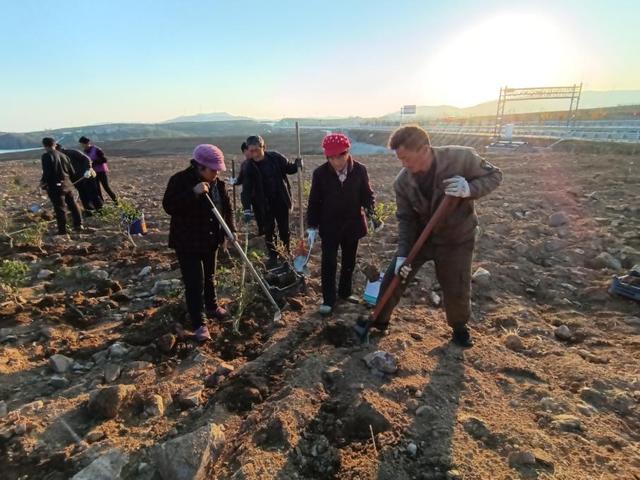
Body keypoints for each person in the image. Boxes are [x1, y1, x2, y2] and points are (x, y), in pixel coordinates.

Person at [370, 125, 502, 347]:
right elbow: (406, 219)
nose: (404, 164)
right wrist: (403, 255)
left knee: (456, 285)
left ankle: (459, 327)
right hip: (421, 238)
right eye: (399, 159)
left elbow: (495, 175)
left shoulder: (461, 158)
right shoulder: (402, 182)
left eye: (407, 158)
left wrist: (469, 188)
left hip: (456, 238)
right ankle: (379, 321)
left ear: (424, 149)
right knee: (395, 276)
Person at [162, 144, 235, 342]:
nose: (216, 173)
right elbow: (169, 206)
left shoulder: (218, 184)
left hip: (211, 239)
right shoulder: (180, 180)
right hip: (188, 242)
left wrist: (230, 231)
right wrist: (193, 193)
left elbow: (226, 209)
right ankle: (199, 323)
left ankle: (211, 306)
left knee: (210, 276)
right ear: (200, 166)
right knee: (195, 283)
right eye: (213, 170)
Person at [307, 133, 378, 315]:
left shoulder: (360, 170)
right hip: (329, 225)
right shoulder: (320, 174)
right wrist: (312, 226)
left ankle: (345, 293)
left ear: (347, 153)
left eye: (340, 156)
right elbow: (314, 201)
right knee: (328, 261)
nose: (337, 161)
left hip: (352, 224)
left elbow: (366, 195)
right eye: (331, 157)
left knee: (349, 261)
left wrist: (373, 215)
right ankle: (328, 300)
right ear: (327, 157)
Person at [239, 135, 302, 268]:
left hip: (280, 200)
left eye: (256, 150)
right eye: (251, 151)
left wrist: (297, 165)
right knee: (268, 230)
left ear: (263, 147)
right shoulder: (248, 166)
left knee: (284, 229)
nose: (254, 154)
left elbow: (289, 169)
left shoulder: (275, 158)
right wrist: (247, 208)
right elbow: (246, 190)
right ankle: (273, 256)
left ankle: (286, 253)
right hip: (263, 204)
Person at [40, 137, 83, 234]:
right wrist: (73, 183)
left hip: (55, 186)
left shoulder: (46, 156)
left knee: (60, 208)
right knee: (72, 204)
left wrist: (43, 183)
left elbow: (47, 172)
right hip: (67, 184)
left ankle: (62, 231)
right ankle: (79, 224)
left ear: (44, 145)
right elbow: (72, 172)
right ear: (55, 144)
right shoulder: (64, 156)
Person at [55, 143, 103, 214]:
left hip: (87, 176)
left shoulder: (72, 152)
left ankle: (100, 210)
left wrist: (87, 170)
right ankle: (89, 210)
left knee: (92, 193)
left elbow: (87, 159)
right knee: (83, 194)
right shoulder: (59, 158)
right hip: (77, 179)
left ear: (59, 149)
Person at [78, 136, 118, 203]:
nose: (82, 146)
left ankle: (116, 202)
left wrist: (93, 163)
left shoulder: (96, 149)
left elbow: (104, 160)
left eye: (82, 144)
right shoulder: (85, 152)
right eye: (81, 144)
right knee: (97, 189)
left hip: (101, 171)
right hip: (93, 173)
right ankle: (101, 204)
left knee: (106, 187)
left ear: (87, 143)